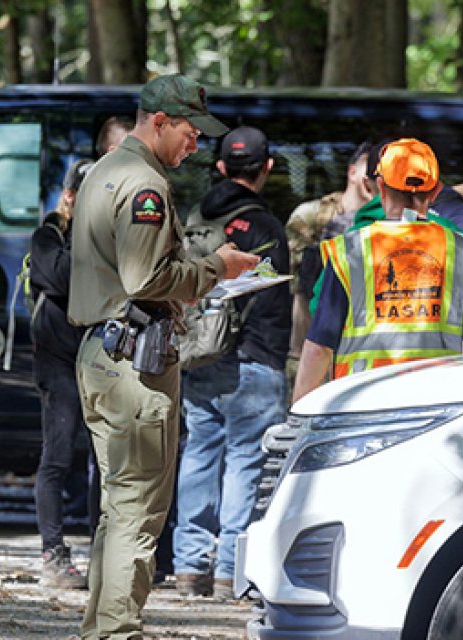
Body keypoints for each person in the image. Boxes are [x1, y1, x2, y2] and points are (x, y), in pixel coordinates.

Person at [68, 74, 259, 639]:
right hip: (134, 360)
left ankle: (102, 627)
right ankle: (116, 632)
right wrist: (217, 268)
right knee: (138, 512)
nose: (197, 144)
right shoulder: (146, 186)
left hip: (104, 353)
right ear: (158, 123)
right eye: (191, 131)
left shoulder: (103, 170)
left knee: (118, 505)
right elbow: (146, 276)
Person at [173, 126, 290, 600]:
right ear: (267, 169)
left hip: (200, 353)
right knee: (246, 460)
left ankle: (187, 566)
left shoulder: (194, 218)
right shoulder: (267, 227)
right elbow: (276, 299)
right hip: (254, 361)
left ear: (220, 167)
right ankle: (228, 571)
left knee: (199, 452)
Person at [293, 139, 463, 403]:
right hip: (436, 407)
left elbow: (319, 347)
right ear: (435, 191)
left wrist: (297, 415)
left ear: (380, 186)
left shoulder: (350, 250)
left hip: (359, 407)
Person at [29, 158, 96, 590]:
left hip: (101, 361)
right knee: (57, 457)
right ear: (71, 197)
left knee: (103, 465)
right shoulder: (48, 236)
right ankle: (53, 553)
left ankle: (104, 552)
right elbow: (61, 278)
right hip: (58, 363)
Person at [285, 141, 374, 391]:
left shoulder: (388, 226)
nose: (374, 178)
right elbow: (293, 285)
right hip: (308, 345)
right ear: (352, 171)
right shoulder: (312, 216)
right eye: (370, 168)